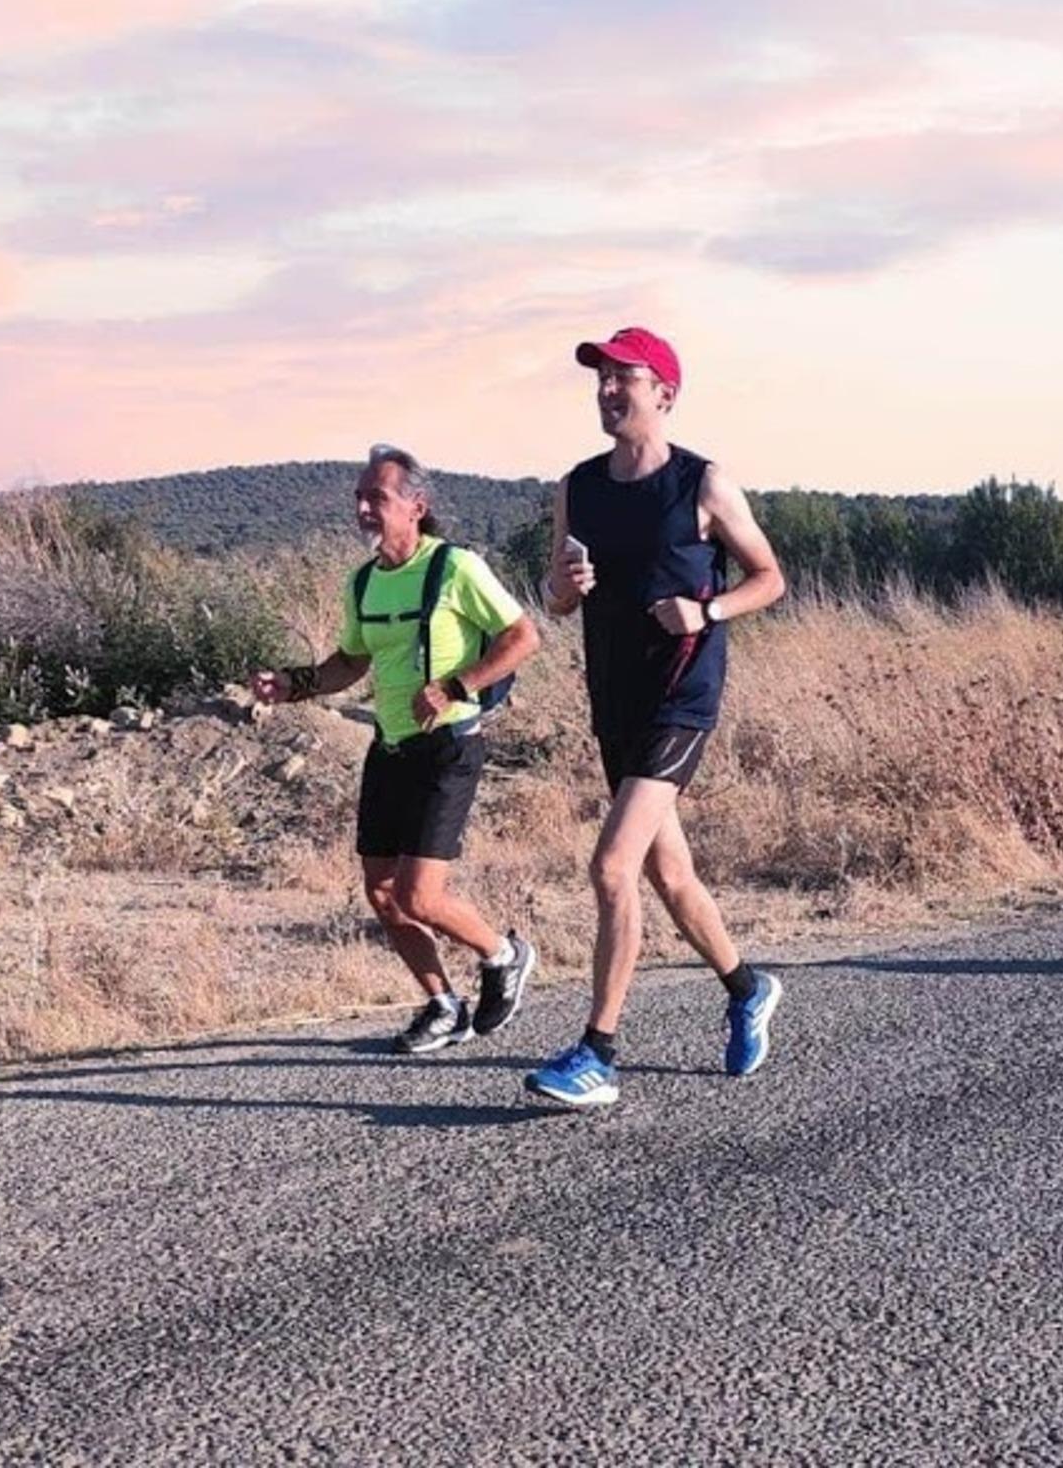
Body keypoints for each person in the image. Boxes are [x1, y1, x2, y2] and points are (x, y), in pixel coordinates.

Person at [525, 327, 787, 1109]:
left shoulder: (702, 484)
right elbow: (556, 599)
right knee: (668, 875)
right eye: (601, 379)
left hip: (682, 697)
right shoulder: (577, 486)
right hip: (616, 698)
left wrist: (708, 610)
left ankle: (598, 1054)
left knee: (612, 866)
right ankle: (746, 987)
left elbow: (769, 577)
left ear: (664, 394)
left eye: (624, 378)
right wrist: (565, 586)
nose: (607, 390)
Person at [253, 444, 541, 1054]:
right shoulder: (363, 582)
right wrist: (294, 684)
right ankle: (443, 1006)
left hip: (449, 748)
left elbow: (523, 636)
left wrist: (457, 686)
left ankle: (504, 955)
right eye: (359, 498)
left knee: (419, 896)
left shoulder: (455, 567)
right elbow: (351, 662)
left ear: (417, 506)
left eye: (376, 498)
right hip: (389, 750)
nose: (363, 508)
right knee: (382, 892)